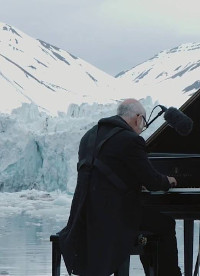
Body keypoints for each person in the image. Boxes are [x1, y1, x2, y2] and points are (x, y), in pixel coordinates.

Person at [58, 98, 182, 276]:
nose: (142, 128)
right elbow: (153, 182)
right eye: (144, 123)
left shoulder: (89, 137)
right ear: (138, 118)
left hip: (84, 216)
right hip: (113, 218)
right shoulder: (130, 139)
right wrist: (168, 180)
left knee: (147, 223)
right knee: (165, 224)